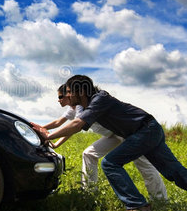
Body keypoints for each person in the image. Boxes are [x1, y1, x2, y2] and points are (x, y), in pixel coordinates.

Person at [33, 75, 187, 211]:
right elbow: (71, 123)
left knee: (111, 163)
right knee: (177, 172)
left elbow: (76, 125)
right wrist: (46, 131)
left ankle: (138, 206)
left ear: (79, 92)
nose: (67, 96)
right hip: (147, 129)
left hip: (144, 130)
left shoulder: (100, 99)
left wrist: (49, 136)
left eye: (68, 92)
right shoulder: (88, 106)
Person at [33, 84, 167, 201]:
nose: (59, 100)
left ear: (70, 95)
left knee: (143, 164)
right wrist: (41, 128)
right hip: (113, 135)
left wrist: (49, 137)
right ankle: (89, 192)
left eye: (61, 96)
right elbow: (59, 123)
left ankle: (160, 200)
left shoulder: (82, 106)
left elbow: (74, 127)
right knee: (89, 154)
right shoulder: (72, 109)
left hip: (126, 133)